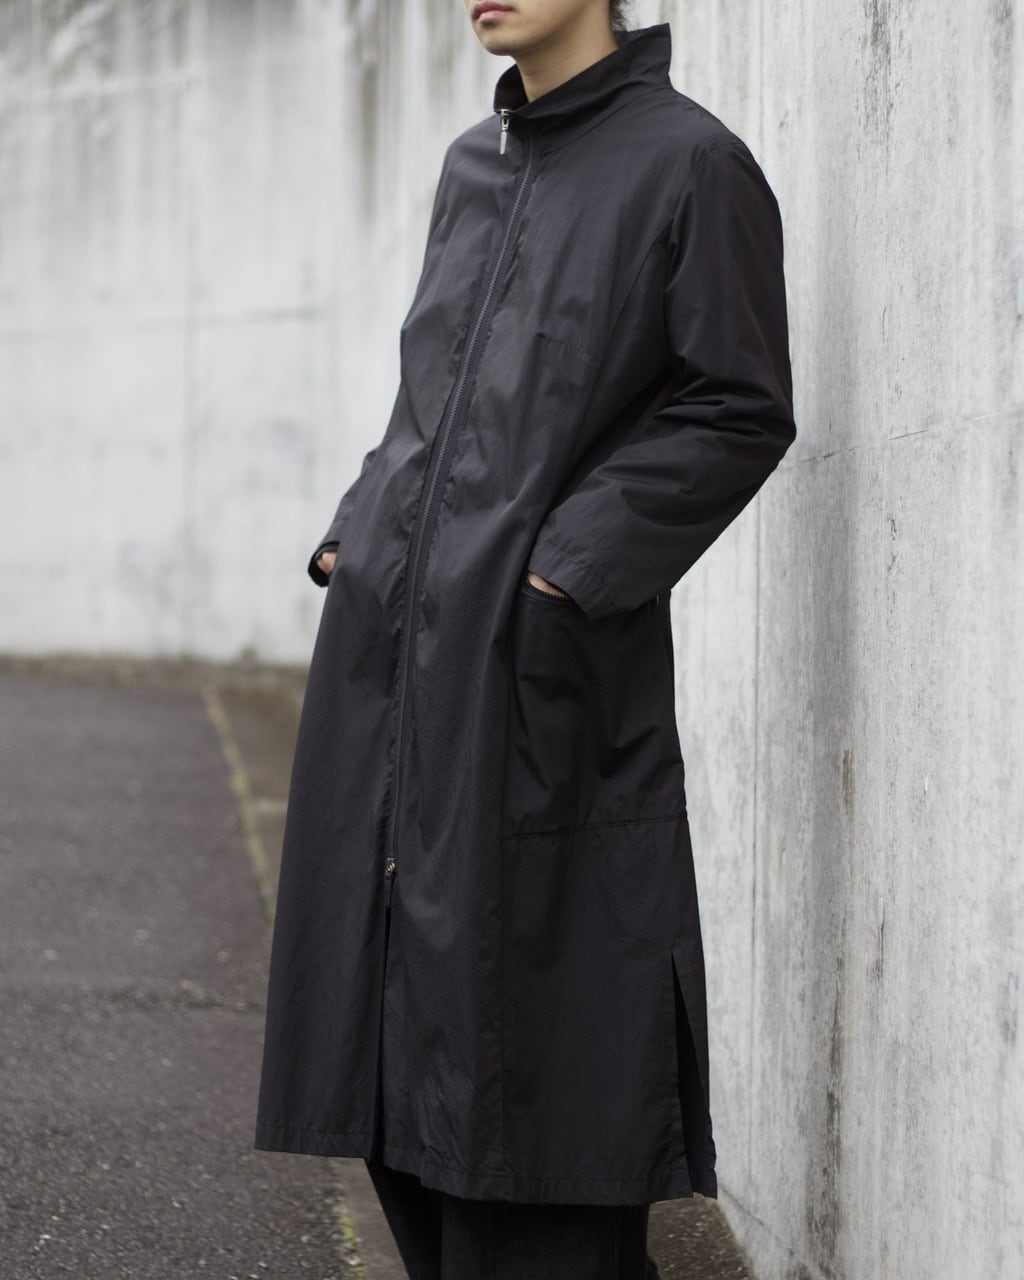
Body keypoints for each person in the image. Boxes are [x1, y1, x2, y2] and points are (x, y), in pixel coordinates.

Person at [254, 1, 795, 1276]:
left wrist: (563, 570)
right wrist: (358, 533)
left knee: (541, 1088)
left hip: (537, 672)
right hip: (394, 665)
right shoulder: (471, 166)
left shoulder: (690, 164)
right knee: (392, 1054)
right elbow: (425, 408)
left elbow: (736, 406)